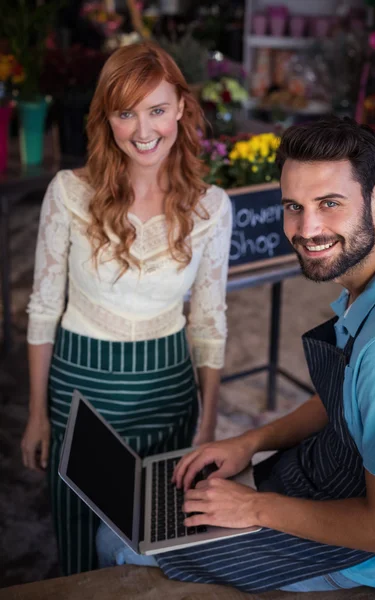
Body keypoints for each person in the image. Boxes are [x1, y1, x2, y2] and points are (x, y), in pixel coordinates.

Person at [97, 116, 375, 593]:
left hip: (362, 552)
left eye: (330, 204)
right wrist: (250, 442)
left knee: (118, 540)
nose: (308, 229)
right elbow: (345, 401)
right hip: (318, 476)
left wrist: (253, 508)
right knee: (164, 505)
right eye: (294, 207)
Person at [21, 41, 232, 576]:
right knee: (79, 546)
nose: (143, 130)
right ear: (106, 117)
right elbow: (44, 307)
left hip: (168, 389)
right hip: (80, 390)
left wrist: (207, 426)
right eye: (126, 112)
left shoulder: (212, 207)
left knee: (157, 549)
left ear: (182, 108)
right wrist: (37, 413)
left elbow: (209, 322)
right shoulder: (68, 193)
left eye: (157, 109)